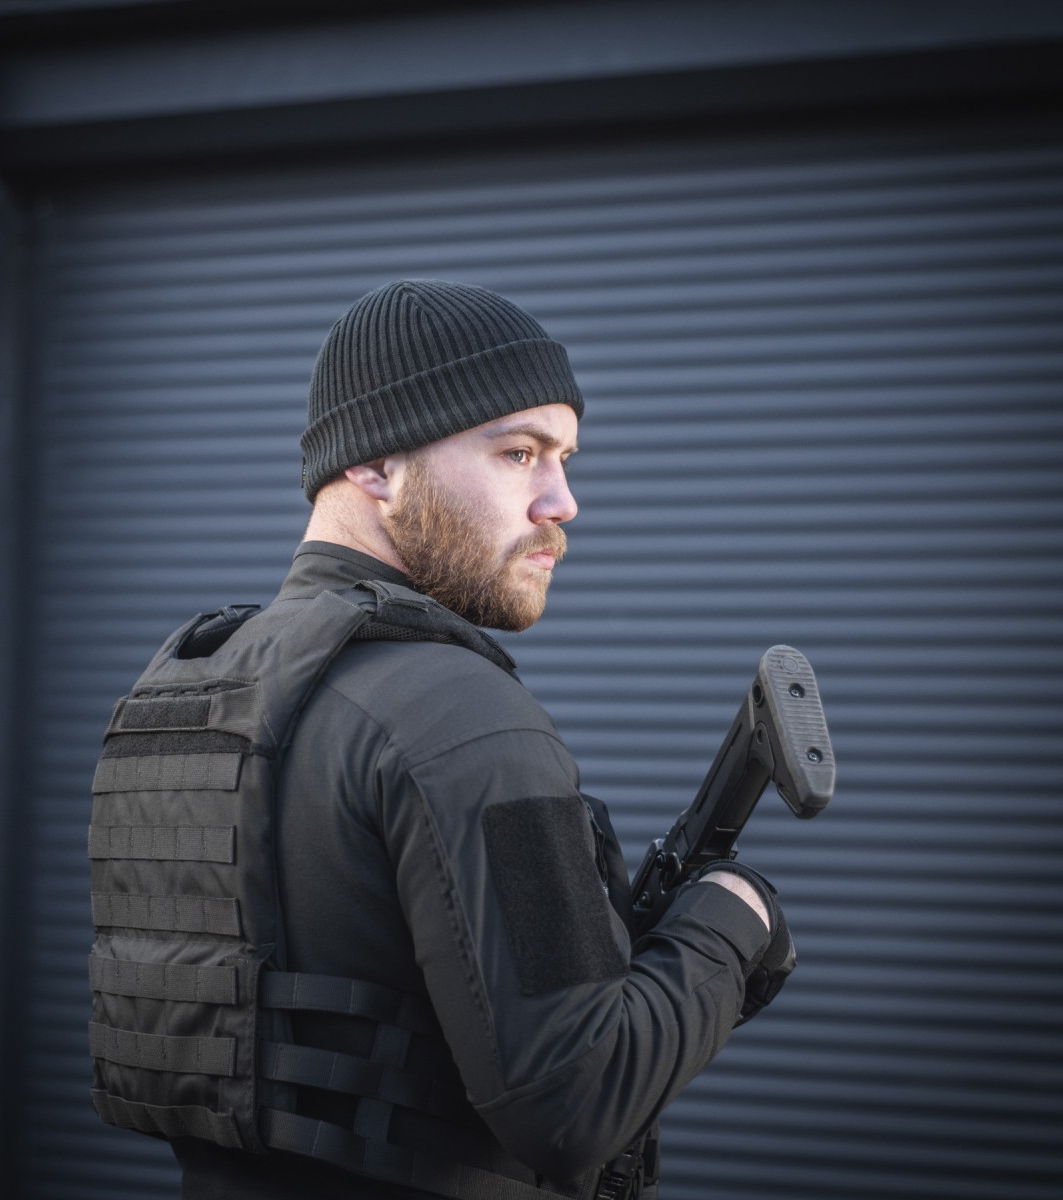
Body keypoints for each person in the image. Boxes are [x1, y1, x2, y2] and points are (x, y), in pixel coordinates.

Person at [92, 280, 792, 1200]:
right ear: (377, 465)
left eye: (566, 459)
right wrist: (730, 919)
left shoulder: (192, 688)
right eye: (519, 454)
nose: (562, 502)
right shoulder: (459, 715)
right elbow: (576, 1101)